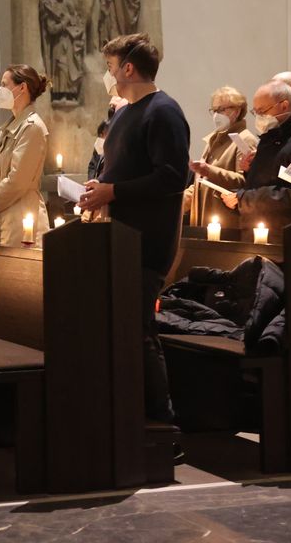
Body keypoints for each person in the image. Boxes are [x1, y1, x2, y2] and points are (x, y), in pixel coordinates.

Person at [78, 33, 189, 424]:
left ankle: (162, 423)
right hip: (117, 237)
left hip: (146, 241)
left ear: (128, 67)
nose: (107, 75)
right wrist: (99, 188)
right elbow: (117, 168)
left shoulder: (164, 112)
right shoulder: (124, 113)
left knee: (141, 333)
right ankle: (126, 416)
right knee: (119, 330)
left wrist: (113, 191)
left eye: (110, 67)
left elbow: (173, 178)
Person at [221, 79, 291, 233]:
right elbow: (272, 179)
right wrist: (250, 171)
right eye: (256, 112)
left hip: (289, 236)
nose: (259, 117)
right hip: (262, 230)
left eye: (262, 111)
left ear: (284, 105)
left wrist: (245, 199)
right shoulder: (272, 136)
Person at [0, 65, 51, 246]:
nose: (0, 90)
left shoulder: (32, 127)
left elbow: (17, 181)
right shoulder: (9, 126)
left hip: (20, 220)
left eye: (4, 84)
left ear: (22, 87)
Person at [184, 86, 257, 228]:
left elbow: (245, 181)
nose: (216, 115)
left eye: (221, 110)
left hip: (226, 221)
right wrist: (179, 203)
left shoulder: (245, 140)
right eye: (214, 110)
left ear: (236, 111)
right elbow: (201, 183)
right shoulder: (213, 140)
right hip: (204, 219)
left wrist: (209, 171)